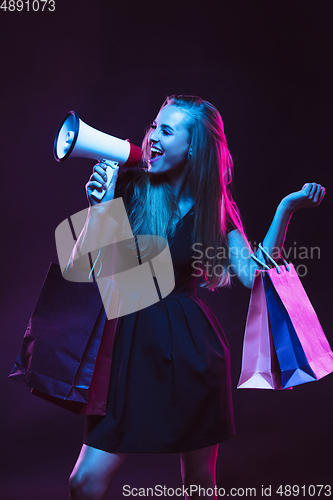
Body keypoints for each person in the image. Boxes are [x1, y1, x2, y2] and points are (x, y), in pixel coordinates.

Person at [68, 95, 325, 500]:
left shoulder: (215, 208)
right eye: (154, 126)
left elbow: (254, 275)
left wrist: (285, 209)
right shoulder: (130, 185)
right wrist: (97, 210)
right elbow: (94, 273)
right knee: (84, 482)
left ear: (195, 147)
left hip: (193, 354)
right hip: (130, 348)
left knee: (200, 485)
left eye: (167, 130)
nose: (152, 136)